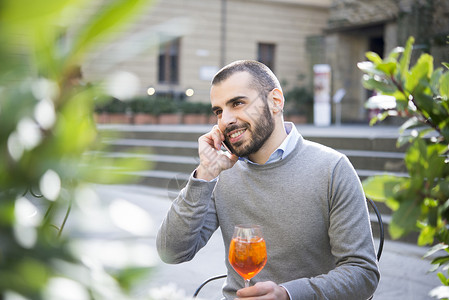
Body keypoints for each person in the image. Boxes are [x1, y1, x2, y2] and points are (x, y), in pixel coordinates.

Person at [156, 60, 380, 300]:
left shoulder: (333, 168)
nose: (225, 120)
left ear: (275, 101)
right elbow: (172, 252)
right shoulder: (220, 173)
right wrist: (205, 174)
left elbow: (363, 273)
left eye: (238, 103)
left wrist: (288, 295)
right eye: (219, 111)